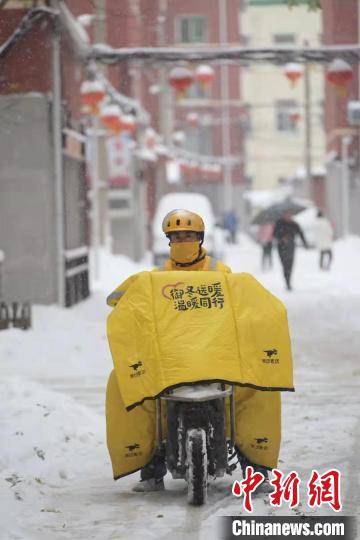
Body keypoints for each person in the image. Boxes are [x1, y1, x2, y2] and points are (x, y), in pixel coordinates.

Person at [131, 209, 274, 493]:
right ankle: (152, 466)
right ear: (168, 240)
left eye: (189, 235)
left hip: (217, 356)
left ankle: (255, 467)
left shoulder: (220, 273)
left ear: (200, 238)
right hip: (172, 359)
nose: (183, 241)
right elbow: (126, 300)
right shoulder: (156, 277)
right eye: (176, 236)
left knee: (251, 392)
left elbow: (241, 304)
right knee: (142, 396)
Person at [273, 211, 308, 290]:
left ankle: (289, 281)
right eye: (287, 215)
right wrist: (282, 238)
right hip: (281, 247)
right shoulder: (279, 223)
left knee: (290, 264)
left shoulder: (294, 224)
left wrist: (305, 244)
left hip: (291, 246)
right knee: (284, 265)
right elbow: (274, 234)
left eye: (290, 215)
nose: (289, 216)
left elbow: (301, 233)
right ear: (283, 215)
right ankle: (287, 282)